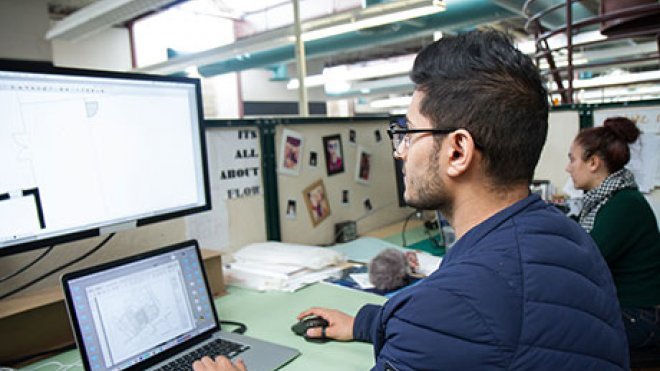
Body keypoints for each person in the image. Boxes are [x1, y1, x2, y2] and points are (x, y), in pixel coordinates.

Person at [192, 29, 629, 371]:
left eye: (408, 133)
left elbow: (457, 319)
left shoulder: (456, 305)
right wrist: (365, 323)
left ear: (457, 152)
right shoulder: (565, 236)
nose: (400, 150)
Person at [566, 116, 660, 349]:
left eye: (572, 159)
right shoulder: (603, 202)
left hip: (639, 317)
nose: (568, 168)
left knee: (558, 336)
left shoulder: (624, 204)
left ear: (594, 163)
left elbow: (583, 260)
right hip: (625, 312)